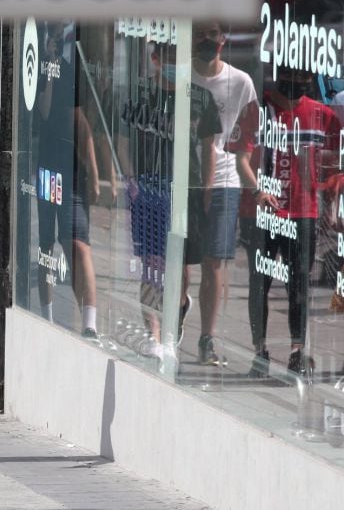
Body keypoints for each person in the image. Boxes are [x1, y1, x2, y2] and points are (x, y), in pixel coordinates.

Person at [232, 66, 340, 377]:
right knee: (259, 284)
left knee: (299, 284)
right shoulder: (258, 110)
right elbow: (240, 158)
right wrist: (258, 190)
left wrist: (329, 201)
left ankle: (297, 351)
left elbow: (332, 165)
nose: (300, 84)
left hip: (303, 213)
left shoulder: (323, 116)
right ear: (280, 72)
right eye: (294, 76)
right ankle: (259, 351)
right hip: (262, 213)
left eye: (306, 78)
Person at [119, 42, 221, 360]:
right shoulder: (140, 96)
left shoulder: (200, 99)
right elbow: (123, 141)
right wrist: (131, 181)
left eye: (180, 59)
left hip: (185, 194)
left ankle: (177, 308)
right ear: (154, 60)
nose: (175, 64)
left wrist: (207, 189)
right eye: (168, 59)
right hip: (149, 190)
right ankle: (154, 335)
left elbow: (209, 149)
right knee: (152, 265)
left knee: (180, 268)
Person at [187, 22, 258, 366]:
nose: (206, 42)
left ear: (223, 41)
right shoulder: (179, 75)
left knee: (213, 262)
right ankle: (181, 302)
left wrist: (249, 175)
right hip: (185, 176)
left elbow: (249, 129)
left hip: (225, 180)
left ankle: (206, 338)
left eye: (212, 37)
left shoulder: (240, 82)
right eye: (200, 35)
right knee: (184, 262)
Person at [32, 24, 101, 341]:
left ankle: (90, 322)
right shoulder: (37, 70)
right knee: (46, 244)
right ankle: (45, 316)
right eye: (51, 39)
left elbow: (82, 123)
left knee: (78, 242)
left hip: (69, 169)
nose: (55, 44)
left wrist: (96, 173)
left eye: (59, 39)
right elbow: (44, 111)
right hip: (46, 167)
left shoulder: (72, 71)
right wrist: (47, 75)